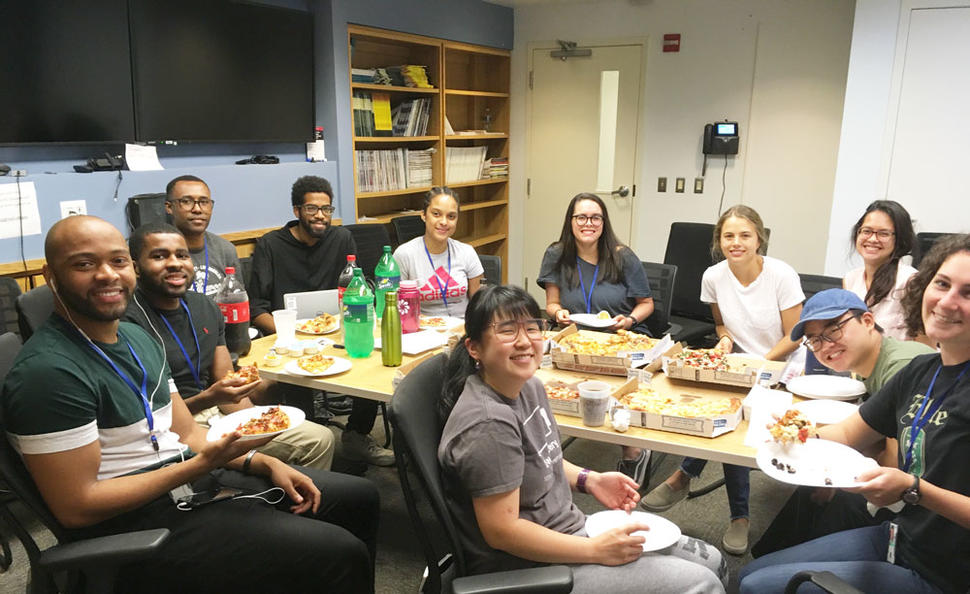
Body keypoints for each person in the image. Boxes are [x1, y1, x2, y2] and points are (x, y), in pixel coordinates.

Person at [0, 216, 379, 592]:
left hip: (187, 483)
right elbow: (77, 506)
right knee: (337, 553)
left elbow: (186, 433)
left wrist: (265, 462)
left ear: (130, 267)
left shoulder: (135, 337)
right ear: (51, 275)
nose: (107, 275)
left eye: (117, 261)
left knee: (358, 497)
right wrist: (201, 464)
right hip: (135, 524)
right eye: (84, 264)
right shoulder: (48, 373)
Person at [437, 285, 727, 593]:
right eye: (507, 331)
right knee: (703, 584)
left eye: (532, 328)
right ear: (474, 348)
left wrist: (591, 480)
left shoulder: (528, 387)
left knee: (713, 561)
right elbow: (502, 532)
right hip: (531, 565)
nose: (524, 341)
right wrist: (596, 551)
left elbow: (543, 456)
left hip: (569, 529)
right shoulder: (488, 425)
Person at [740, 233, 970, 594]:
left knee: (757, 587)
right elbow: (849, 434)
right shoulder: (922, 371)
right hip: (898, 537)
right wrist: (797, 435)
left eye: (968, 293)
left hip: (942, 574)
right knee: (745, 577)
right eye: (942, 284)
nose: (947, 301)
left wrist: (914, 490)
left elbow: (907, 484)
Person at [642, 205, 804, 555]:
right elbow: (720, 325)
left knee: (734, 422)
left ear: (759, 238)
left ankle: (698, 485)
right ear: (719, 240)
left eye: (745, 235)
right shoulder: (713, 276)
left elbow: (795, 335)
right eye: (728, 236)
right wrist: (726, 339)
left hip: (780, 367)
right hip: (737, 363)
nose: (736, 242)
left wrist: (761, 363)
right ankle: (709, 495)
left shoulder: (781, 275)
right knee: (716, 411)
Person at [123, 222, 335, 470]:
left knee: (319, 438)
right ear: (136, 267)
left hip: (216, 412)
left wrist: (255, 416)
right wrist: (209, 399)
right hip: (167, 428)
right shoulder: (128, 322)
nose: (175, 263)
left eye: (182, 255)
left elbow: (225, 382)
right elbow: (151, 419)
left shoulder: (205, 307)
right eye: (159, 256)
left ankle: (297, 503)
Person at [751, 288, 933, 557]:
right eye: (814, 340)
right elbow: (863, 434)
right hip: (907, 480)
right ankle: (771, 560)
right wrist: (801, 434)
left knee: (838, 498)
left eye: (834, 329)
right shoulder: (865, 366)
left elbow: (896, 463)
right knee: (813, 487)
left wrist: (836, 479)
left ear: (868, 321)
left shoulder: (899, 366)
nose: (825, 346)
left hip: (925, 499)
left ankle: (789, 568)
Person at [248, 175, 393, 467]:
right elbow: (257, 308)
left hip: (337, 331)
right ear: (297, 211)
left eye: (326, 209)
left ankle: (357, 434)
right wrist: (295, 332)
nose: (321, 216)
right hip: (288, 340)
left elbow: (358, 288)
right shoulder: (270, 245)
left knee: (370, 356)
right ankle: (310, 440)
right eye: (313, 209)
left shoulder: (342, 239)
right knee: (298, 376)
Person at [537, 193, 655, 484]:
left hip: (620, 339)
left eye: (595, 217)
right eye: (581, 217)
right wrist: (559, 312)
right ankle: (544, 451)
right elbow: (551, 303)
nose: (588, 223)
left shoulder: (622, 256)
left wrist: (629, 320)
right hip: (575, 339)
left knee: (622, 393)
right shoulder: (556, 254)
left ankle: (634, 453)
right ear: (571, 221)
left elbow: (647, 303)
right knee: (542, 385)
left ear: (603, 222)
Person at [393, 186, 484, 318]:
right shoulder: (404, 255)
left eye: (451, 216)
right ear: (423, 215)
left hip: (463, 329)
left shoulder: (467, 252)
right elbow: (398, 308)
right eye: (436, 214)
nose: (444, 222)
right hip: (422, 331)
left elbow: (480, 305)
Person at [843, 200, 918, 340]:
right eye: (866, 231)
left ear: (899, 239)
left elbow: (925, 348)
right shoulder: (850, 279)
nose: (872, 239)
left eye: (883, 233)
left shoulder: (910, 281)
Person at [165, 174, 242, 297]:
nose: (197, 209)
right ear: (169, 207)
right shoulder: (159, 254)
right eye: (186, 201)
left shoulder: (225, 249)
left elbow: (238, 301)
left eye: (204, 202)